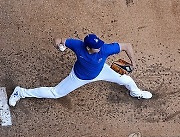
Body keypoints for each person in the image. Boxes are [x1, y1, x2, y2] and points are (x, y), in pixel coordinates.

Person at [9, 34, 152, 107]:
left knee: (126, 79)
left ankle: (136, 93)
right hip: (78, 76)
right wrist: (59, 45)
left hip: (102, 71)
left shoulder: (105, 49)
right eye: (96, 47)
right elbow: (59, 39)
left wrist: (133, 62)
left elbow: (127, 45)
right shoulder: (77, 45)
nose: (100, 47)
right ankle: (20, 92)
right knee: (56, 93)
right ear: (88, 48)